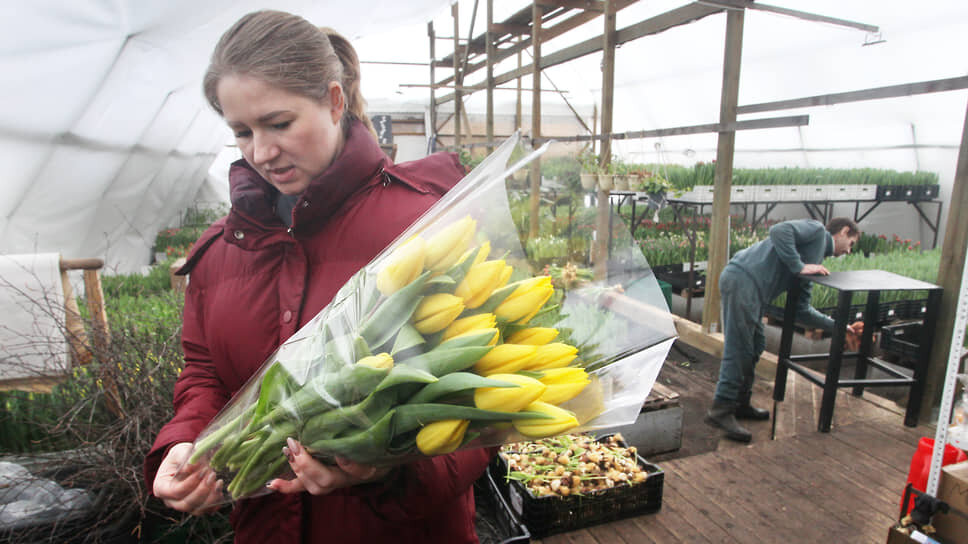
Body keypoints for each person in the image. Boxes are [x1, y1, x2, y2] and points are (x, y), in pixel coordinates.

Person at [145, 11, 492, 543]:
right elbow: (206, 373)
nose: (260, 152)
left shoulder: (425, 223)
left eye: (279, 123)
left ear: (334, 101)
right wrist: (188, 440)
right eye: (242, 131)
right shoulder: (222, 250)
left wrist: (384, 467)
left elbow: (484, 400)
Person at [704, 217, 862, 443]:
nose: (849, 251)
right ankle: (720, 410)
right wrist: (798, 266)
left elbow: (801, 310)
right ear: (844, 231)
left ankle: (740, 403)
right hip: (743, 280)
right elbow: (779, 230)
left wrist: (839, 326)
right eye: (852, 243)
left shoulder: (814, 257)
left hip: (753, 290)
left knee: (755, 345)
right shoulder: (817, 232)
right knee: (739, 348)